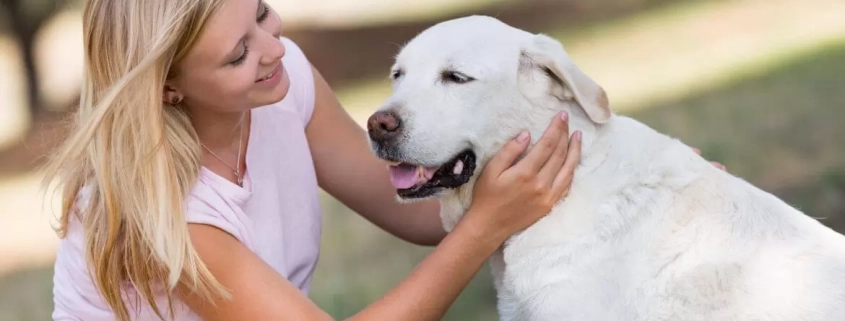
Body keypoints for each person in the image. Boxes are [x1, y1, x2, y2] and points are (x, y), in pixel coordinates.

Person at [45, 1, 723, 320]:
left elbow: (422, 205)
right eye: (236, 54)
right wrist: (485, 225)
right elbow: (465, 223)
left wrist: (625, 170)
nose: (272, 50)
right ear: (166, 87)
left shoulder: (283, 88)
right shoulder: (165, 211)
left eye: (261, 15)